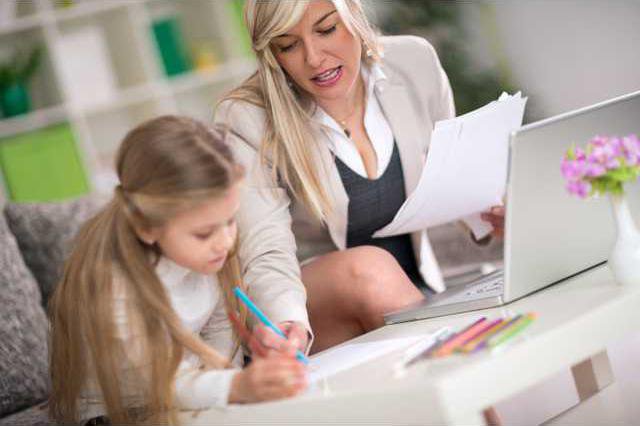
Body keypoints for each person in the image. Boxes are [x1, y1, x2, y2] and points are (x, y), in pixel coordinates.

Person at [215, 0, 504, 353]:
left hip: (409, 294)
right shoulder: (247, 117)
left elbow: (452, 176)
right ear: (273, 55)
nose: (313, 58)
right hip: (306, 308)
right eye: (288, 45)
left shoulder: (414, 62)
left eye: (326, 30)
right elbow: (265, 246)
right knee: (370, 268)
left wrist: (492, 214)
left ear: (352, 13)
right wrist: (285, 321)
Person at [48, 116, 310, 426]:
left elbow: (219, 327)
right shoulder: (113, 287)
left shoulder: (203, 254)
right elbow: (164, 383)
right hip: (123, 413)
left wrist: (232, 378)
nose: (225, 242)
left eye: (230, 220)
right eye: (204, 233)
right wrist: (237, 387)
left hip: (189, 395)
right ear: (146, 226)